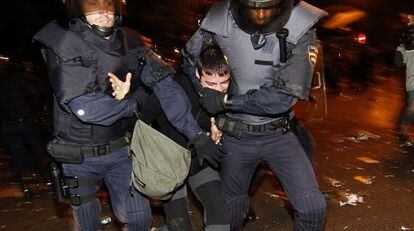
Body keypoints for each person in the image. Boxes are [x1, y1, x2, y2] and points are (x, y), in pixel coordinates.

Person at [33, 0, 223, 230]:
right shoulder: (64, 43)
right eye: (93, 5)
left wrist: (196, 134)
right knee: (87, 224)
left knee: (139, 220)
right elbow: (85, 108)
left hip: (120, 148)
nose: (103, 12)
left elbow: (167, 87)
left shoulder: (131, 42)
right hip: (79, 155)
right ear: (78, 9)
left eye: (108, 5)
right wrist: (132, 102)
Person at [182, 0, 327, 230]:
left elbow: (283, 98)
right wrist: (208, 98)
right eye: (253, 6)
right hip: (235, 135)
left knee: (312, 207)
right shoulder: (220, 19)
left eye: (267, 6)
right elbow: (190, 60)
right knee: (231, 210)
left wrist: (225, 101)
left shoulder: (301, 26)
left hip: (279, 135)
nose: (260, 14)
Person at [113, 45, 231, 231]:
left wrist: (219, 129)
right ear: (198, 74)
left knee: (221, 214)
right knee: (179, 225)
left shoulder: (228, 94)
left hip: (198, 161)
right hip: (168, 164)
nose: (219, 90)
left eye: (224, 83)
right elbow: (142, 118)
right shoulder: (174, 87)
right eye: (211, 84)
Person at [396, 14, 414, 146]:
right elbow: (398, 64)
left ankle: (402, 129)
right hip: (413, 84)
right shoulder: (404, 49)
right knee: (413, 107)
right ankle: (402, 129)